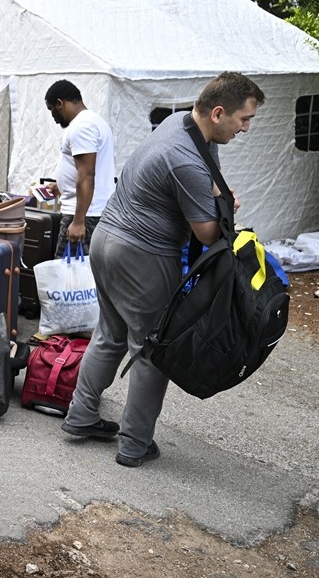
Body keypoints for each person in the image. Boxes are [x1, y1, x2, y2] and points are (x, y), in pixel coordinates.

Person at [60, 72, 264, 467]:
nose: (246, 128)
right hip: (140, 253)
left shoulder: (181, 124)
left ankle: (81, 416)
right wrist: (224, 207)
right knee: (153, 348)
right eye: (244, 119)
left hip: (106, 242)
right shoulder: (185, 156)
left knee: (111, 333)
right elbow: (206, 233)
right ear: (219, 113)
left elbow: (210, 185)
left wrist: (217, 196)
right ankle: (135, 444)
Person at [43, 80, 116, 256]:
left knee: (65, 276)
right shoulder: (93, 121)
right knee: (81, 276)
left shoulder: (82, 127)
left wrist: (78, 222)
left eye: (51, 109)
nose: (53, 116)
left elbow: (87, 175)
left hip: (84, 215)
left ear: (60, 103)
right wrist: (62, 187)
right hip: (89, 211)